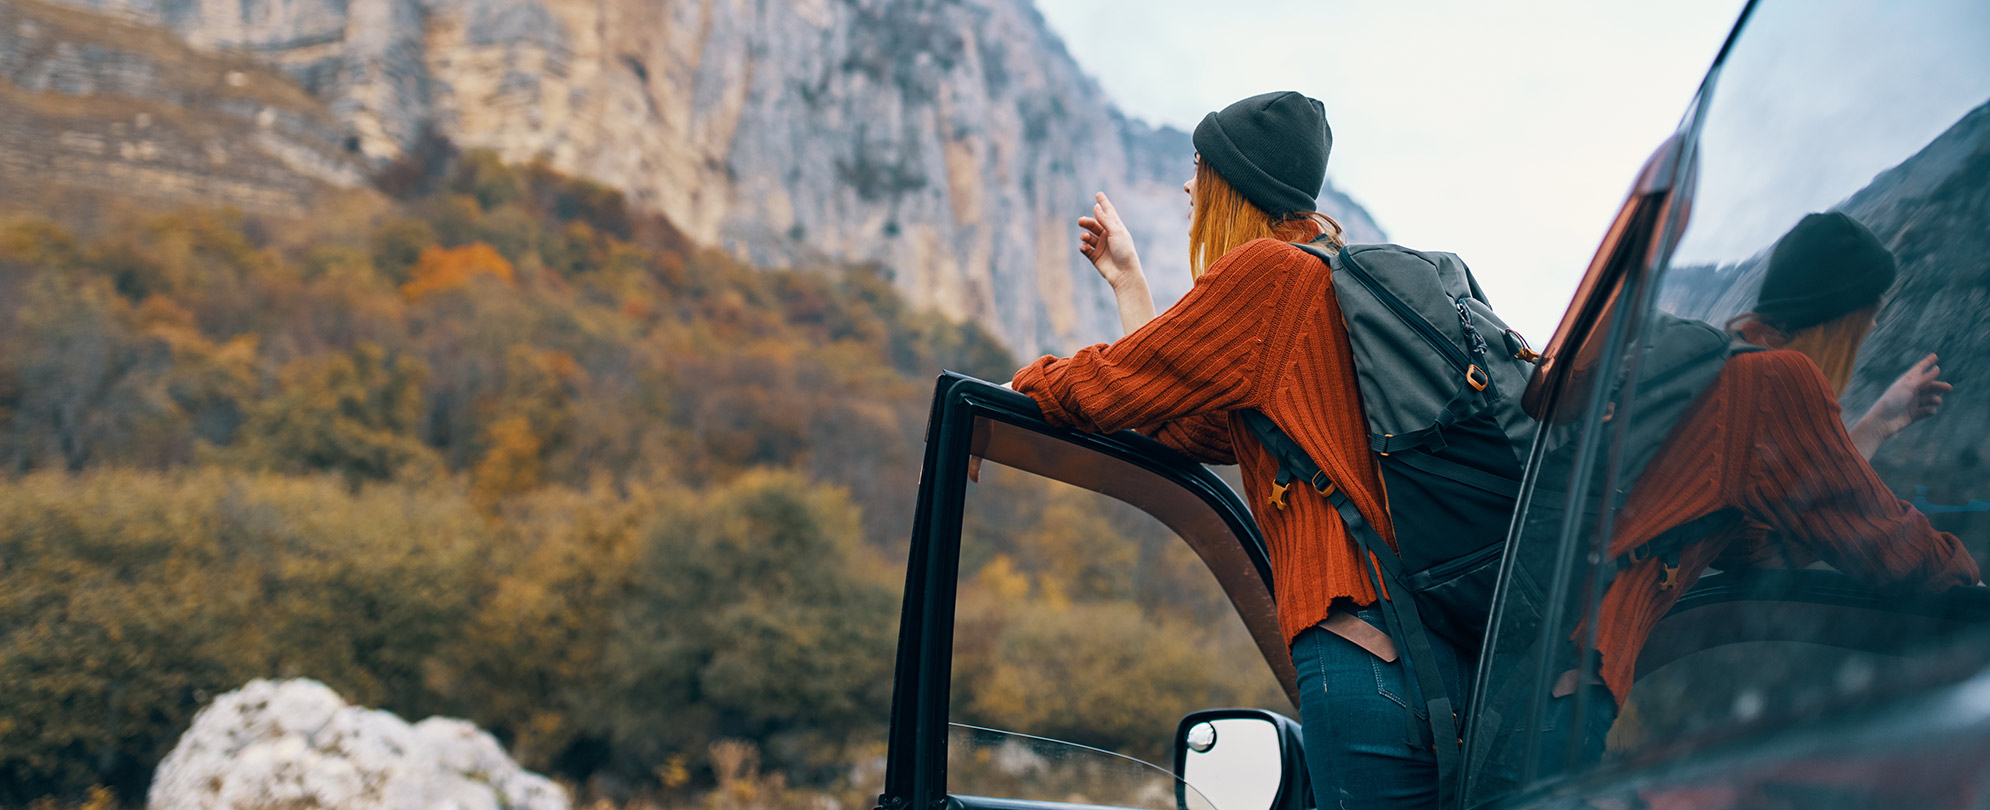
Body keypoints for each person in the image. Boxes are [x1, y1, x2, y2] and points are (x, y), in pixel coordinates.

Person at [1006, 91, 1473, 810]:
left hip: (1356, 653)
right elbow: (1187, 425)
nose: (1190, 185)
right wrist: (1131, 284)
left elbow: (1108, 388)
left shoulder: (1267, 275)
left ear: (1236, 183)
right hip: (1426, 661)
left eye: (1201, 166)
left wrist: (1012, 394)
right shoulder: (1324, 285)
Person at [1543, 212, 1980, 774]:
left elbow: (1763, 549)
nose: (1873, 328)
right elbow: (1877, 537)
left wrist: (1875, 426)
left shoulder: (1723, 369)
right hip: (1571, 685)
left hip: (1544, 672)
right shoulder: (1776, 379)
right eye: (1871, 311)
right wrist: (1970, 585)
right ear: (1843, 310)